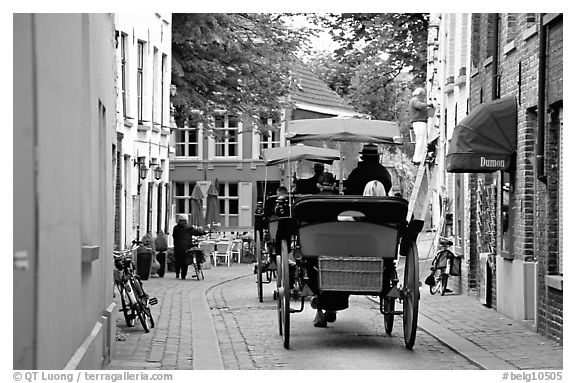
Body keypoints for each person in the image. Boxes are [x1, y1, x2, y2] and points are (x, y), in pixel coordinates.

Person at [172, 214, 206, 279]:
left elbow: (174, 236)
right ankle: (183, 276)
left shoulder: (175, 228)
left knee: (177, 261)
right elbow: (197, 232)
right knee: (184, 262)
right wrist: (204, 232)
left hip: (177, 247)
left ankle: (177, 274)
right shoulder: (189, 227)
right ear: (186, 220)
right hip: (186, 247)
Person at [409, 87, 434, 165]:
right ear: (419, 94)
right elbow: (419, 105)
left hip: (420, 122)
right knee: (420, 140)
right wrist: (428, 104)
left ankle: (421, 157)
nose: (423, 97)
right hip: (419, 122)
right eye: (423, 95)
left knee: (422, 141)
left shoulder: (416, 100)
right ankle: (418, 158)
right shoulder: (414, 100)